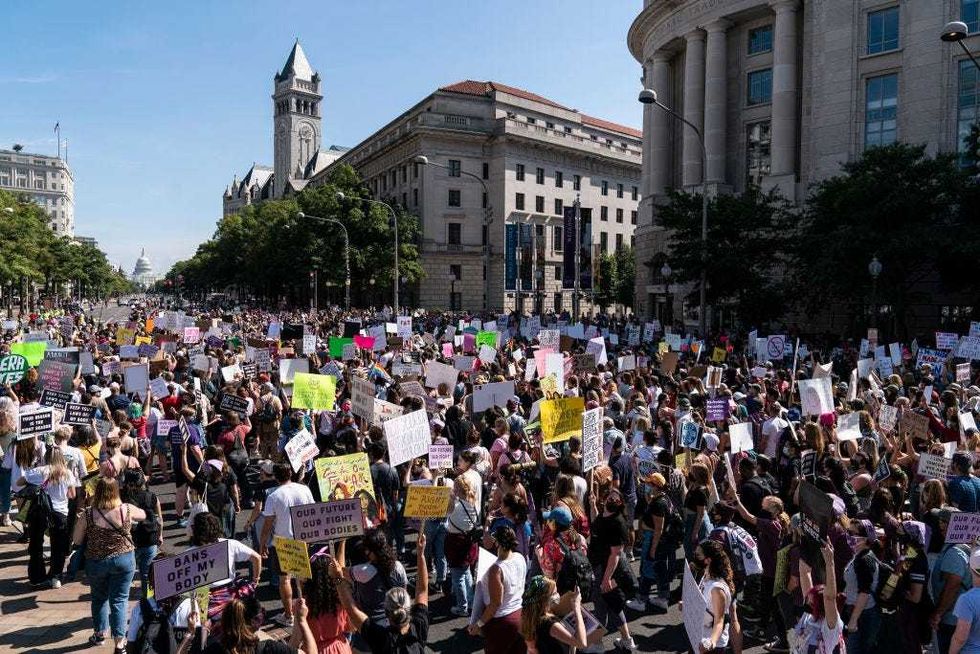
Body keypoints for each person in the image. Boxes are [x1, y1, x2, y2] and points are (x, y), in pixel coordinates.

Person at [72, 477, 147, 652]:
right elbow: (143, 515)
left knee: (99, 598)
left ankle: (99, 634)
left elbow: (76, 539)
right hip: (124, 560)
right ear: (116, 490)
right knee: (119, 600)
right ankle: (120, 643)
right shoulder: (126, 509)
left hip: (96, 562)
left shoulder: (88, 513)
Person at [330, 533, 430, 654]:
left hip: (368, 633)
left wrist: (337, 578)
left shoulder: (381, 638)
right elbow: (422, 591)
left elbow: (351, 609)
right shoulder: (418, 629)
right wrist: (420, 554)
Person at [259, 461, 315, 627]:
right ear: (290, 473)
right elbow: (312, 512)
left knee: (285, 579)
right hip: (304, 538)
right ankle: (307, 610)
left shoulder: (274, 496)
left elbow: (268, 524)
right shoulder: (304, 489)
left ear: (275, 477)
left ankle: (289, 615)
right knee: (304, 578)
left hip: (283, 542)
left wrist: (262, 543)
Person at [18, 445, 77, 587]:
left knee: (36, 544)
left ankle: (37, 576)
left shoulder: (39, 471)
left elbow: (19, 482)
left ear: (47, 457)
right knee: (58, 546)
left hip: (40, 510)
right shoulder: (68, 473)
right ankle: (56, 576)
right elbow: (72, 495)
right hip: (60, 512)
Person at [468, 526, 527, 654]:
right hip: (519, 617)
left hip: (502, 623)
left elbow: (495, 603)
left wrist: (478, 624)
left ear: (497, 543)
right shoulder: (520, 557)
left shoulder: (496, 569)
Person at [199, 597, 318, 654]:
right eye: (263, 612)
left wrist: (189, 634)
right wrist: (302, 620)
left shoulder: (215, 649)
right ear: (253, 621)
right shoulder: (269, 648)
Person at [795, 537, 846, 654]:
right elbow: (805, 573)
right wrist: (807, 540)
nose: (807, 599)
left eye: (811, 599)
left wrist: (830, 562)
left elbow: (830, 598)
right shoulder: (809, 614)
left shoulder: (830, 627)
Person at [119, 468, 162, 594]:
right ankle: (147, 599)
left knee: (126, 574)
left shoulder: (122, 498)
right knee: (146, 574)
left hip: (131, 540)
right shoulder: (152, 496)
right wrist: (160, 535)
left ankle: (123, 597)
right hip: (150, 538)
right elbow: (159, 519)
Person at [519, 576, 588, 654]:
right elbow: (582, 643)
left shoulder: (530, 615)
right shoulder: (551, 625)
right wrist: (577, 607)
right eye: (554, 593)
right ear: (545, 599)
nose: (558, 595)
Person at [305, 547, 352, 654]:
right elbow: (351, 628)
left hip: (314, 649)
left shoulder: (303, 605)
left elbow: (299, 634)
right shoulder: (341, 599)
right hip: (340, 648)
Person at [445, 474, 480, 617]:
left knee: (457, 576)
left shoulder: (455, 505)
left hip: (455, 543)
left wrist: (450, 498)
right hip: (469, 543)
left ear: (457, 489)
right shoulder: (474, 504)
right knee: (466, 573)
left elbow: (446, 514)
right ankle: (471, 602)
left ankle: (462, 607)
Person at [695, 539, 735, 654]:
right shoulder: (706, 575)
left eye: (698, 555)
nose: (695, 557)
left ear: (708, 560)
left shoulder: (717, 589)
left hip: (711, 646)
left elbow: (719, 621)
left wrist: (711, 642)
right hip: (700, 636)